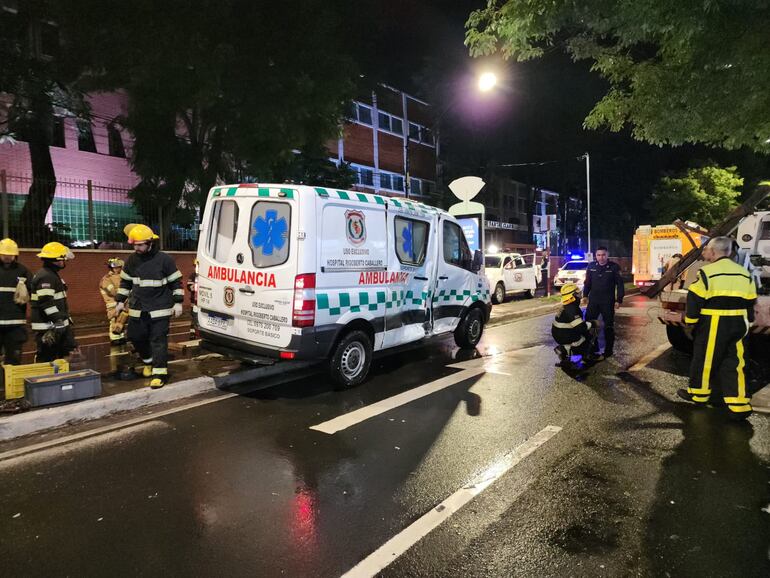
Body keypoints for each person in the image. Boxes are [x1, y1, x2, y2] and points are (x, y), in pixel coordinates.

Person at [677, 237, 757, 420]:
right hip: (739, 323)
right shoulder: (744, 273)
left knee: (705, 360)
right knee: (736, 363)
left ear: (714, 252)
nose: (705, 254)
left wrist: (691, 322)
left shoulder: (707, 272)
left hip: (714, 322)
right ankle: (739, 405)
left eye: (706, 250)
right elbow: (750, 301)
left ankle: (698, 394)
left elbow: (695, 299)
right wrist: (749, 322)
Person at [115, 224, 184, 388]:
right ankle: (148, 361)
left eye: (140, 245)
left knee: (158, 340)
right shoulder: (132, 260)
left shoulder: (164, 260)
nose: (136, 248)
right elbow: (125, 282)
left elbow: (176, 282)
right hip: (138, 308)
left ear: (150, 243)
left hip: (160, 308)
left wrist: (178, 302)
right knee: (135, 336)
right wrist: (119, 301)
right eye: (134, 245)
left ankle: (159, 374)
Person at [30, 242, 78, 361]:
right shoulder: (46, 276)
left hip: (56, 325)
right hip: (50, 326)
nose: (64, 262)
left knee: (65, 353)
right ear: (56, 260)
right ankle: (46, 378)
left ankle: (60, 377)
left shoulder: (51, 274)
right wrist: (58, 320)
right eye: (63, 259)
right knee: (47, 359)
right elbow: (46, 302)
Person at [583, 246, 624, 359]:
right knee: (590, 325)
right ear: (596, 256)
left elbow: (620, 285)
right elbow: (587, 283)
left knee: (608, 327)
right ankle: (593, 347)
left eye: (603, 255)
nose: (601, 257)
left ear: (607, 255)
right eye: (599, 255)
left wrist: (618, 300)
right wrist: (585, 295)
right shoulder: (591, 267)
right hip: (594, 301)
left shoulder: (614, 267)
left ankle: (608, 350)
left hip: (608, 302)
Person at [552, 283, 599, 367]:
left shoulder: (567, 305)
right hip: (565, 335)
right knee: (589, 334)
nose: (579, 296)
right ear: (572, 296)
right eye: (578, 294)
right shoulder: (572, 309)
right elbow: (581, 327)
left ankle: (564, 350)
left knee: (582, 333)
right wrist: (593, 323)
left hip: (559, 334)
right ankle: (580, 356)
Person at [0, 238, 30, 365]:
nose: (7, 257)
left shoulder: (23, 271)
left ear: (15, 255)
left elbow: (33, 291)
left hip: (15, 325)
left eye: (10, 255)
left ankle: (10, 384)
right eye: (4, 255)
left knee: (14, 360)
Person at [99, 257, 126, 344]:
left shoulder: (122, 276)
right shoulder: (106, 278)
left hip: (122, 302)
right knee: (114, 319)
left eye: (118, 267)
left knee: (122, 319)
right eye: (115, 267)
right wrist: (124, 294)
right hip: (113, 303)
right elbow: (112, 291)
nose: (117, 269)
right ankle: (114, 338)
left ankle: (120, 336)